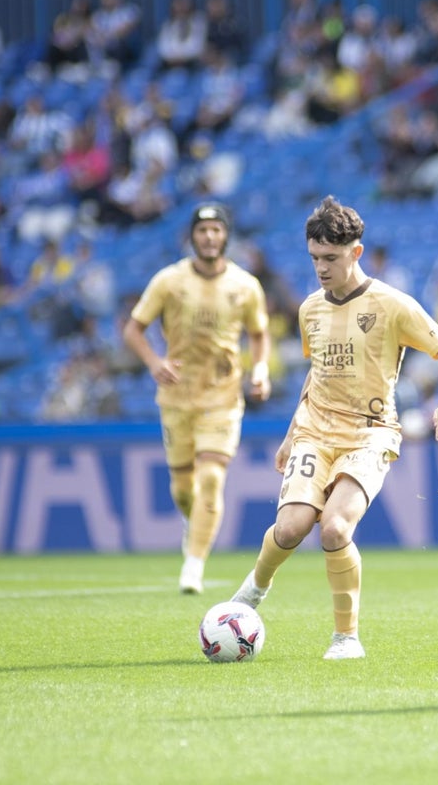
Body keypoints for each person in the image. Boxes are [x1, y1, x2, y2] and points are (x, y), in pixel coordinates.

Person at [230, 196, 438, 660]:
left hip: (370, 432)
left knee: (335, 528)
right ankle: (256, 587)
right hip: (314, 432)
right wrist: (289, 434)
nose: (321, 268)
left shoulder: (391, 304)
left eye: (331, 259)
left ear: (356, 253)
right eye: (315, 258)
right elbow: (316, 374)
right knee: (290, 528)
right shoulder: (309, 310)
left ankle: (346, 638)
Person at [122, 202, 271, 595]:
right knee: (184, 490)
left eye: (216, 230)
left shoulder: (245, 285)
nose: (209, 237)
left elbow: (259, 333)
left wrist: (260, 369)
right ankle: (194, 526)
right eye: (202, 231)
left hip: (222, 398)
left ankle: (194, 563)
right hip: (176, 399)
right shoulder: (169, 281)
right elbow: (134, 329)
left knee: (211, 478)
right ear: (192, 236)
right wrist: (153, 361)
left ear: (226, 236)